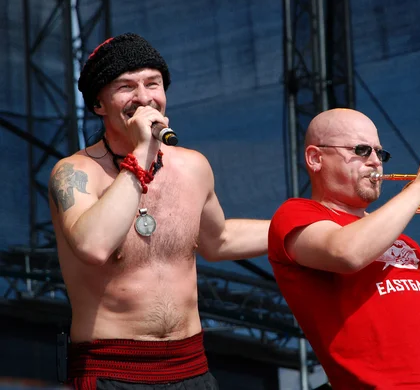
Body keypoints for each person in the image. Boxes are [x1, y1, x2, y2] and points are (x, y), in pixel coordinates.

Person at [48, 33, 269, 389]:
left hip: (192, 366)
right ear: (98, 105)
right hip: (112, 369)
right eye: (126, 86)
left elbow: (219, 239)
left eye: (153, 83)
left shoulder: (192, 166)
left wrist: (304, 225)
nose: (144, 97)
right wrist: (140, 155)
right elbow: (94, 245)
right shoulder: (74, 173)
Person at [268, 108, 420, 389]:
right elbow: (347, 254)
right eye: (361, 150)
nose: (375, 162)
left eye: (380, 153)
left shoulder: (402, 241)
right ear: (315, 158)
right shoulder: (297, 214)